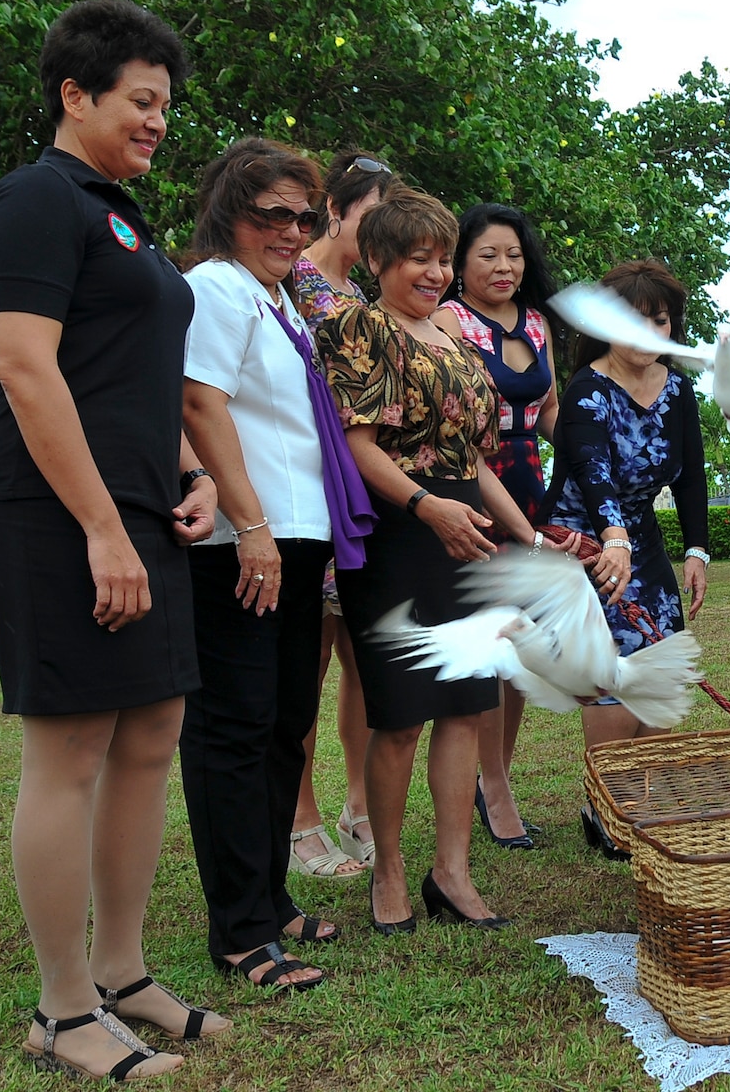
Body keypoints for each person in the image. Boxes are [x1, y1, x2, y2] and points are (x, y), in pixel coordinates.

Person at [0, 0, 222, 1079]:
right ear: (76, 95)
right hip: (54, 510)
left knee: (152, 731)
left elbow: (135, 377)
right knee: (69, 746)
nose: (158, 120)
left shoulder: (125, 219)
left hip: (139, 507)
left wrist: (194, 473)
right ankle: (63, 1006)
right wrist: (102, 528)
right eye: (140, 100)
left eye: (166, 103)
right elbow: (27, 367)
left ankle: (121, 971)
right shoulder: (37, 197)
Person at [179, 138, 378, 991]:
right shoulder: (216, 287)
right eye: (274, 214)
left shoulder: (277, 300)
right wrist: (249, 523)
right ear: (230, 210)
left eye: (306, 216)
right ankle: (240, 930)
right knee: (234, 730)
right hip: (243, 541)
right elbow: (198, 402)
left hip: (298, 537)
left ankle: (269, 900)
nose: (294, 231)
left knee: (283, 723)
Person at [319, 185, 543, 931]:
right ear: (377, 259)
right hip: (396, 534)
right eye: (419, 258)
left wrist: (529, 538)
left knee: (466, 706)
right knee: (403, 717)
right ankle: (388, 871)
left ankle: (451, 872)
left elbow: (474, 460)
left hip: (466, 529)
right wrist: (425, 506)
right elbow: (360, 447)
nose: (435, 273)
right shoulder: (360, 327)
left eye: (442, 259)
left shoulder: (454, 339)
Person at [543, 259, 711, 855]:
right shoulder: (588, 388)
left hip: (640, 539)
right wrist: (612, 542)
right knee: (612, 670)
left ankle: (638, 801)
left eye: (659, 322)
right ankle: (605, 810)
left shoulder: (678, 388)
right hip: (581, 540)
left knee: (662, 662)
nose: (646, 334)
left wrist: (697, 549)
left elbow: (691, 478)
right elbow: (594, 474)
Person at [437, 203, 561, 850]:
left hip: (530, 487)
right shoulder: (448, 322)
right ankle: (490, 785)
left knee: (521, 652)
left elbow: (548, 416)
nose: (503, 266)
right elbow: (454, 430)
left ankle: (498, 778)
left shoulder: (537, 323)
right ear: (459, 264)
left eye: (513, 253)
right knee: (491, 643)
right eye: (487, 254)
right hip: (474, 492)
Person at [288, 151, 392, 875]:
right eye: (371, 216)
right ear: (335, 209)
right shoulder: (287, 279)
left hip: (359, 492)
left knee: (363, 657)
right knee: (307, 662)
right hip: (301, 485)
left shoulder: (360, 294)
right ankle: (300, 823)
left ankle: (359, 805)